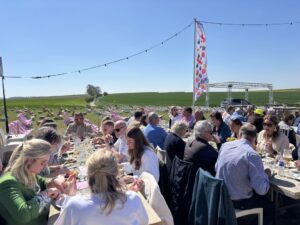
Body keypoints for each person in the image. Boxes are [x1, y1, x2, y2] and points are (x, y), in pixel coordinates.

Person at [55, 150, 148, 225]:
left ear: (88, 174)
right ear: (117, 172)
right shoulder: (133, 199)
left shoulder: (74, 205)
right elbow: (144, 222)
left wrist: (70, 196)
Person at [215, 123, 273, 225]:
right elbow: (262, 190)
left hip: (222, 197)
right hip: (238, 203)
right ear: (255, 137)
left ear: (240, 134)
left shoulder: (225, 146)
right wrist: (266, 175)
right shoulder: (251, 154)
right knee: (270, 206)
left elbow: (217, 168)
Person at [0, 139, 61, 225]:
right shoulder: (8, 183)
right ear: (29, 160)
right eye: (43, 163)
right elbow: (23, 214)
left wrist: (56, 183)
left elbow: (44, 182)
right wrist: (46, 193)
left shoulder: (29, 173)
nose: (45, 167)